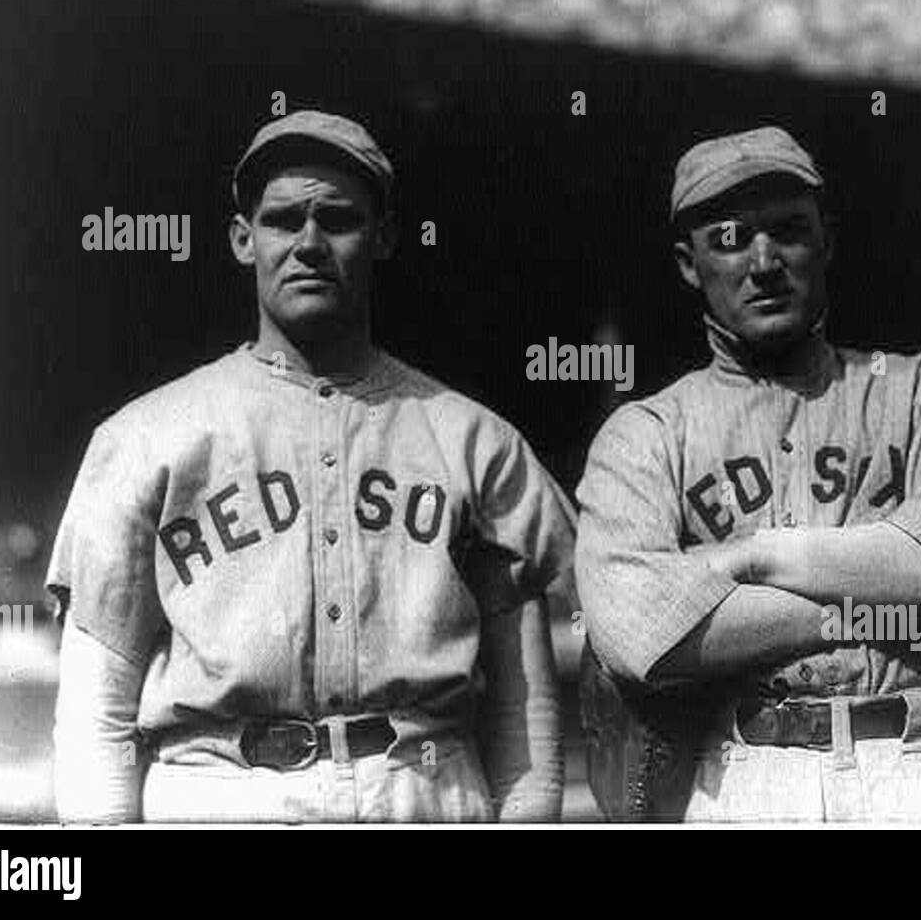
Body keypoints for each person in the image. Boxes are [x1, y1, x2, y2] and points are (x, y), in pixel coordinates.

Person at [47, 110, 574, 823]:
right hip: (222, 792)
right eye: (282, 220)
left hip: (421, 790)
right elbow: (96, 709)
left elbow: (524, 711)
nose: (309, 244)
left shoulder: (471, 437)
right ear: (243, 240)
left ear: (384, 236)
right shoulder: (145, 438)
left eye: (339, 220)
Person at [575, 126, 921, 822]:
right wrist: (884, 596)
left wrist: (751, 558)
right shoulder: (648, 435)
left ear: (826, 241)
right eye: (728, 238)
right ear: (688, 263)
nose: (763, 262)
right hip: (747, 781)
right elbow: (638, 633)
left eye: (788, 231)